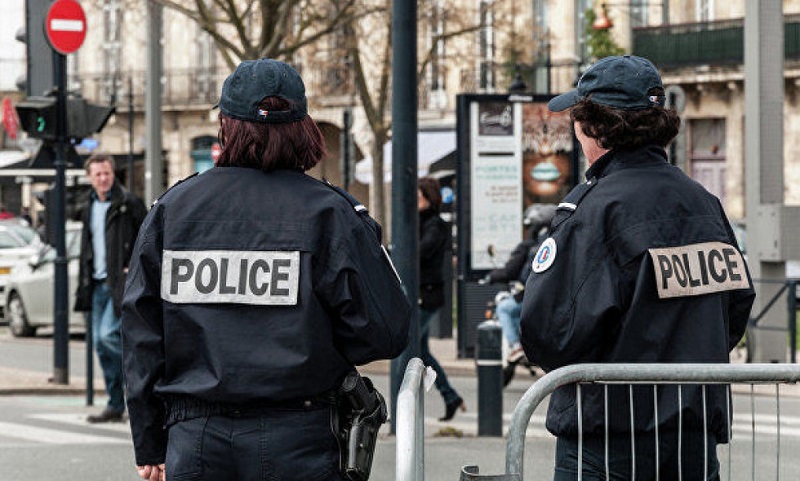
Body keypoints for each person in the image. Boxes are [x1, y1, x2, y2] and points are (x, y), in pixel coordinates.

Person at [121, 58, 411, 481]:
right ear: (303, 127)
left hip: (196, 438)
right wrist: (317, 340)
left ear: (226, 125)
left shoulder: (173, 210)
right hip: (300, 436)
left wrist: (150, 441)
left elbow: (141, 334)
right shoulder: (331, 213)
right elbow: (384, 331)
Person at [519, 55, 755, 480]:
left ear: (595, 127)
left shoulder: (595, 210)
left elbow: (549, 331)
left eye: (577, 119)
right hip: (692, 436)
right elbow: (735, 307)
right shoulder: (704, 204)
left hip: (609, 437)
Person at [75, 154, 147, 424]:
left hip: (120, 284)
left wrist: (133, 267)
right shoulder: (88, 205)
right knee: (101, 346)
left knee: (107, 336)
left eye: (107, 173)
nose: (103, 178)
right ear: (90, 178)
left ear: (113, 174)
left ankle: (143, 379)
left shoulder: (129, 203)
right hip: (95, 284)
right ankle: (115, 405)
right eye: (98, 174)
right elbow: (87, 245)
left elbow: (148, 238)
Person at [481, 203, 556, 363]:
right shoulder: (553, 244)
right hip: (550, 298)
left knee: (504, 308)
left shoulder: (534, 248)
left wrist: (493, 277)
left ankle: (516, 347)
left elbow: (514, 271)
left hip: (535, 297)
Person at [418, 176, 465, 422]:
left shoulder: (435, 224)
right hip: (420, 293)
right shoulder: (419, 221)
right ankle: (450, 396)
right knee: (421, 351)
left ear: (428, 198)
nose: (414, 200)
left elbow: (422, 251)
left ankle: (405, 406)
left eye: (418, 196)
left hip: (426, 295)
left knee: (411, 349)